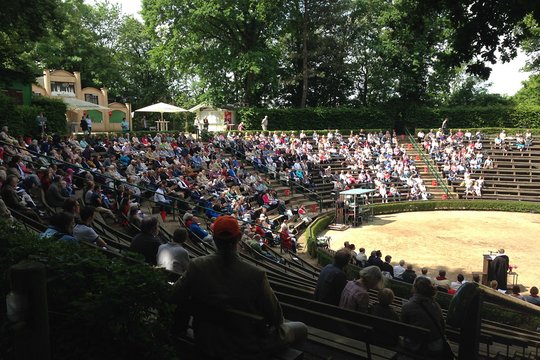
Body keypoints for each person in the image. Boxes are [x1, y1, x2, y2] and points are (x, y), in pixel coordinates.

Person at [171, 215, 307, 359]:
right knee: (301, 328)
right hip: (246, 345)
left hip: (207, 339)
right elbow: (276, 318)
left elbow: (174, 295)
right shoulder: (255, 274)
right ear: (239, 237)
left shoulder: (196, 265)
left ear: (214, 239)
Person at [401, 277, 447, 358]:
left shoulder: (407, 306)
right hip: (435, 347)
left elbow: (404, 328)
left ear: (414, 289)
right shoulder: (436, 306)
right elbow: (442, 326)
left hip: (415, 346)